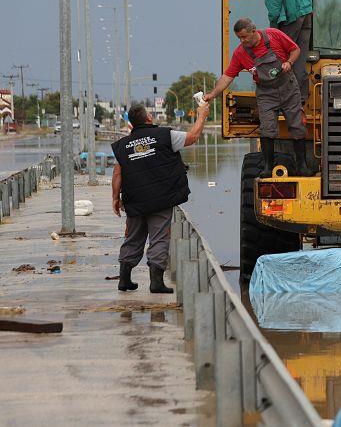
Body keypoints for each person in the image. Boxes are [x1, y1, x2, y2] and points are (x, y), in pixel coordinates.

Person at [111, 102, 209, 293]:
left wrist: (115, 197)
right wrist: (202, 115)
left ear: (131, 124)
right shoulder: (166, 135)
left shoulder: (123, 146)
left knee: (133, 237)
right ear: (148, 118)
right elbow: (193, 137)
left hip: (134, 199)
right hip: (160, 198)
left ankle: (124, 279)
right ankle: (156, 282)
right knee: (159, 238)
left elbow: (117, 173)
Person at [203, 17, 309, 176]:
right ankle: (267, 167)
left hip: (288, 88)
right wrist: (212, 94)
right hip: (266, 93)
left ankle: (302, 167)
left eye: (244, 37)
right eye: (239, 38)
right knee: (267, 129)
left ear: (254, 31)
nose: (242, 40)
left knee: (297, 126)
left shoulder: (273, 35)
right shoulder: (240, 53)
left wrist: (289, 62)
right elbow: (227, 76)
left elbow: (296, 50)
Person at [247, 0, 315, 100]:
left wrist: (273, 27)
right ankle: (301, 99)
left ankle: (282, 100)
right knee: (299, 58)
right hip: (306, 15)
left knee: (280, 58)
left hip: (289, 18)